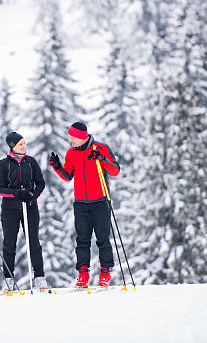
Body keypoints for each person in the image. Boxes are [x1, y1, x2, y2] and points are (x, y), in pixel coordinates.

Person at [48, 122, 120, 288]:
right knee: (82, 240)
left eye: (72, 136)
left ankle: (105, 273)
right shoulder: (71, 153)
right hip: (81, 203)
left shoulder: (100, 148)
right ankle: (83, 275)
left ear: (81, 136)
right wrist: (57, 167)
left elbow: (115, 170)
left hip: (100, 201)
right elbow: (68, 176)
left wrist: (102, 159)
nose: (69, 139)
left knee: (103, 239)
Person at [0, 131, 47, 291]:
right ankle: (8, 279)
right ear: (12, 146)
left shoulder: (31, 162)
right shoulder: (3, 164)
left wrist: (33, 196)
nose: (24, 146)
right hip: (10, 209)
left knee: (34, 242)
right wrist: (16, 193)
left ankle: (39, 277)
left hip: (30, 207)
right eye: (20, 144)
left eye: (24, 143)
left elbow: (41, 183)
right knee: (9, 243)